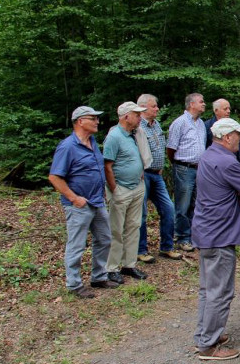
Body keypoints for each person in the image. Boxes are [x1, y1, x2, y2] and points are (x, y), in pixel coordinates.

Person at [192, 118, 240, 360]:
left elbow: (228, 188)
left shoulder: (209, 155)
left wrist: (237, 191)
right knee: (220, 292)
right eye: (238, 135)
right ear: (227, 137)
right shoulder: (226, 161)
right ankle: (208, 346)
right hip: (220, 234)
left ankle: (205, 334)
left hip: (207, 231)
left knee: (208, 289)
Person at [48, 106, 117, 298]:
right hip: (79, 205)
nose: (97, 122)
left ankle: (99, 277)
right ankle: (74, 284)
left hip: (97, 202)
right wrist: (74, 198)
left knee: (104, 239)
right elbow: (54, 177)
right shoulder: (68, 146)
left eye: (97, 118)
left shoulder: (92, 142)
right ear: (80, 121)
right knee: (77, 244)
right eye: (92, 119)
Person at [103, 102, 149, 284]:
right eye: (136, 115)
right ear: (125, 116)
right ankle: (111, 268)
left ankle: (129, 265)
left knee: (133, 227)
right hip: (121, 189)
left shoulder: (133, 135)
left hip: (137, 187)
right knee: (116, 230)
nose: (139, 118)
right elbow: (107, 166)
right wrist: (114, 189)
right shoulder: (114, 136)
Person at [136, 94, 182, 263]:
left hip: (157, 175)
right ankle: (140, 250)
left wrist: (160, 166)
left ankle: (167, 247)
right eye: (153, 106)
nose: (157, 109)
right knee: (141, 214)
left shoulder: (156, 125)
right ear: (142, 108)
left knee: (168, 209)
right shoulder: (137, 127)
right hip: (143, 175)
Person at [166, 93, 207, 253]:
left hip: (198, 169)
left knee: (195, 204)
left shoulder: (201, 124)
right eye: (201, 102)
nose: (204, 104)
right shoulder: (180, 123)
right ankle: (182, 238)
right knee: (182, 205)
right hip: (183, 168)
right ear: (191, 104)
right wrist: (178, 164)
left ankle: (191, 236)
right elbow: (171, 148)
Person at [204, 98, 240, 167]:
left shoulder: (233, 124)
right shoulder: (207, 126)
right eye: (225, 109)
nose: (229, 111)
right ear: (216, 111)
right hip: (217, 167)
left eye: (229, 108)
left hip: (235, 164)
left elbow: (239, 146)